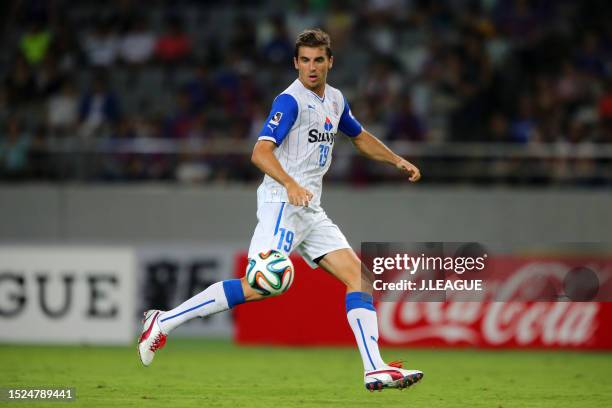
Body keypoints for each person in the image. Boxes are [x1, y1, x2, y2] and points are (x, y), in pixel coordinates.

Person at [138, 28, 423, 392]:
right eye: (304, 60)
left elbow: (359, 136)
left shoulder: (335, 100)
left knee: (361, 279)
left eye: (318, 60)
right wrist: (290, 183)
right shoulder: (289, 101)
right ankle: (163, 322)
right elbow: (260, 152)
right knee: (263, 285)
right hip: (281, 203)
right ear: (295, 63)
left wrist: (397, 160)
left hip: (310, 209)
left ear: (330, 62)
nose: (311, 68)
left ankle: (374, 368)